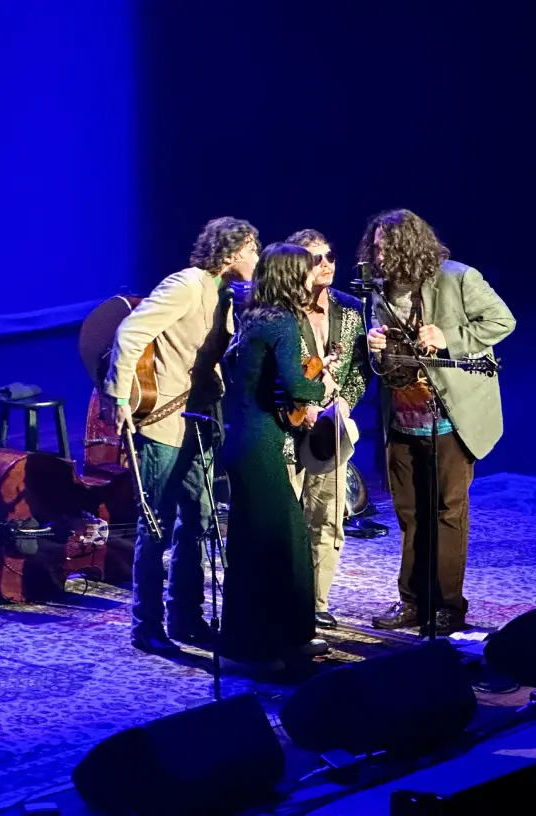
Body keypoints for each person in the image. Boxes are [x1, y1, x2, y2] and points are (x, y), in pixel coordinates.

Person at [102, 216, 259, 654]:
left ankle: (185, 616)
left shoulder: (230, 293)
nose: (257, 257)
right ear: (231, 253)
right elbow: (130, 332)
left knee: (201, 519)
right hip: (165, 422)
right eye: (251, 249)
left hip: (202, 420)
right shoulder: (187, 284)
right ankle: (146, 624)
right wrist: (118, 398)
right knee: (156, 523)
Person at [361, 209, 515, 635]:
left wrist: (449, 338)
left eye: (386, 246)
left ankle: (448, 606)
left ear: (410, 245)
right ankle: (411, 601)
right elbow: (385, 356)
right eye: (375, 247)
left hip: (450, 416)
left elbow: (503, 322)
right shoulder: (377, 290)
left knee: (448, 512)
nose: (378, 254)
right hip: (403, 417)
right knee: (409, 513)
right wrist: (373, 345)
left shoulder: (458, 278)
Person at [219, 243, 337, 670]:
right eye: (306, 270)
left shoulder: (252, 315)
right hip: (260, 446)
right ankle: (262, 648)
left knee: (261, 545)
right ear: (293, 275)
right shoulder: (285, 322)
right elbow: (299, 386)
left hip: (241, 441)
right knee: (276, 548)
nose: (313, 277)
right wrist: (322, 381)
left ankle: (279, 637)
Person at [283, 229, 370, 631]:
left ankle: (317, 602)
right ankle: (286, 600)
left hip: (331, 432)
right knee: (286, 520)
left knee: (329, 517)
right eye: (316, 258)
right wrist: (304, 405)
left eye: (330, 255)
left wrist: (344, 403)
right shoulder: (280, 314)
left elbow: (359, 369)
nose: (327, 264)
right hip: (286, 431)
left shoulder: (351, 310)